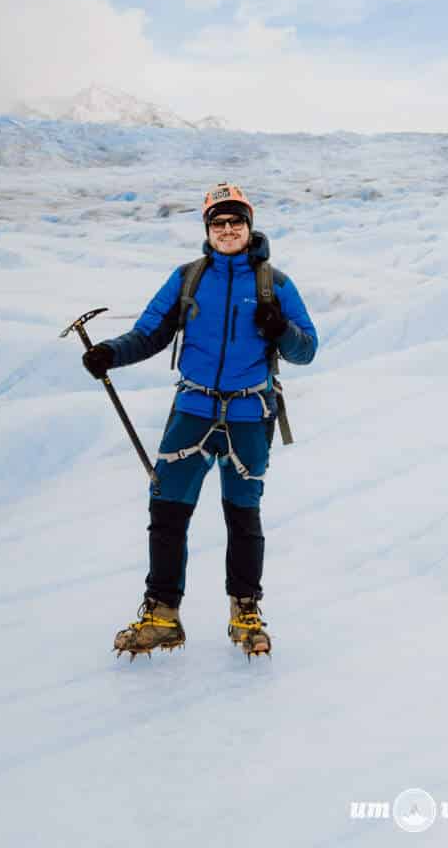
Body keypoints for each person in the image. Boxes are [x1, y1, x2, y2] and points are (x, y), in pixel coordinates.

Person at [82, 183, 318, 658]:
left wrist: (280, 329)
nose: (227, 230)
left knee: (242, 515)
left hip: (251, 412)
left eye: (235, 222)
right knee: (167, 511)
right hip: (193, 407)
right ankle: (161, 615)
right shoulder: (188, 278)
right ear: (208, 230)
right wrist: (110, 352)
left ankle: (245, 612)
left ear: (249, 226)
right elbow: (150, 332)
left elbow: (305, 349)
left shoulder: (276, 283)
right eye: (218, 223)